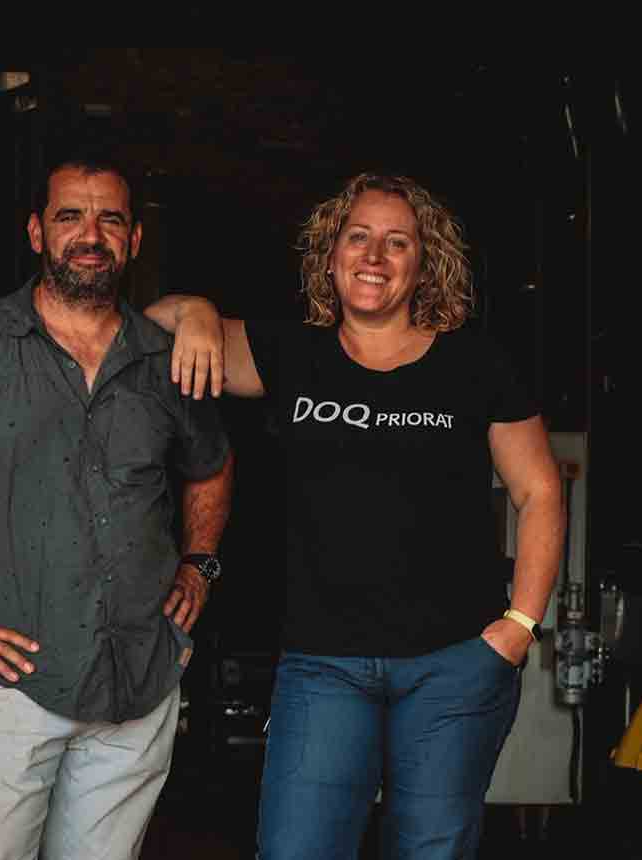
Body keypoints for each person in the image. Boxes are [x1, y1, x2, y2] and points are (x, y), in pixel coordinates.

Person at [145, 172, 564, 859]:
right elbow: (152, 321)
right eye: (358, 237)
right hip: (324, 667)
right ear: (330, 254)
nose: (374, 256)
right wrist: (195, 307)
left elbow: (540, 492)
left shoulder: (475, 362)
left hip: (453, 664)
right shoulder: (290, 353)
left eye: (397, 243)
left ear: (425, 263)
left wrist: (518, 627)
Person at [0, 142, 234, 860]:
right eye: (70, 217)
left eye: (110, 221)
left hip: (141, 674)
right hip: (18, 679)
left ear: (134, 239)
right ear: (37, 233)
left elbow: (211, 467)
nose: (91, 236)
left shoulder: (163, 357)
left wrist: (199, 563)